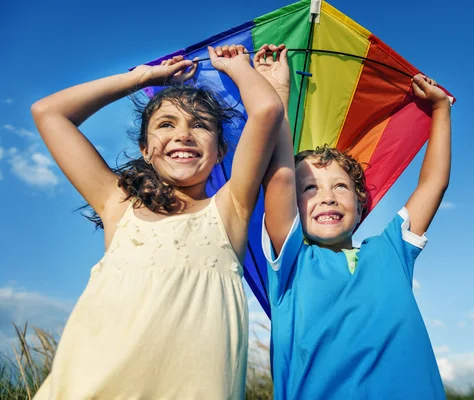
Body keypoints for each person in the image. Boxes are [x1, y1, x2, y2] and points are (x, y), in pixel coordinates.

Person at [30, 44, 284, 399]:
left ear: (221, 152)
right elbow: (48, 112)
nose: (183, 134)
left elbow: (267, 110)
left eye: (200, 126)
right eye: (166, 124)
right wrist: (143, 78)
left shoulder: (230, 210)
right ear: (145, 149)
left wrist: (239, 67)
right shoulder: (117, 205)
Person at [257, 43, 451, 399]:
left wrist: (440, 110)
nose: (326, 196)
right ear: (292, 206)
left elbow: (433, 183)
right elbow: (279, 174)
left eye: (341, 186)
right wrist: (278, 92)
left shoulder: (391, 251)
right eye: (309, 188)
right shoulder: (291, 263)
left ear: (361, 205)